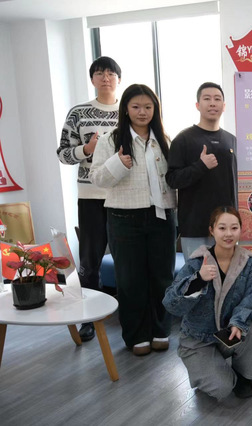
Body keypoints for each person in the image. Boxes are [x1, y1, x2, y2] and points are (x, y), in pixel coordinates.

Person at [89, 84, 177, 356]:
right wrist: (118, 163)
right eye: (136, 107)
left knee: (162, 277)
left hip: (161, 216)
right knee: (130, 280)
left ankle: (161, 331)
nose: (142, 112)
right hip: (123, 217)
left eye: (148, 107)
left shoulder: (163, 138)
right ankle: (136, 335)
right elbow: (96, 178)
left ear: (155, 109)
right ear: (125, 109)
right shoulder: (110, 140)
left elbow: (173, 178)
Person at [163, 206, 252, 400]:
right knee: (222, 388)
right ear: (212, 230)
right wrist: (198, 280)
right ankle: (211, 370)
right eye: (222, 228)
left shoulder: (248, 263)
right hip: (197, 340)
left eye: (234, 228)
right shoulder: (196, 263)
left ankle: (243, 376)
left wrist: (238, 323)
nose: (228, 234)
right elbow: (170, 304)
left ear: (240, 230)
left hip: (226, 335)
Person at [56, 56, 121, 342]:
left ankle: (129, 317)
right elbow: (63, 154)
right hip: (91, 196)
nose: (105, 78)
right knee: (89, 261)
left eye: (111, 73)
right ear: (92, 79)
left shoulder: (129, 110)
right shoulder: (78, 113)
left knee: (126, 258)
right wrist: (87, 149)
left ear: (118, 78)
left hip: (123, 197)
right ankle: (89, 320)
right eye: (100, 73)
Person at [166, 82, 238, 261]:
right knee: (198, 275)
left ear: (224, 106)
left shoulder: (232, 140)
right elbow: (172, 179)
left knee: (227, 274)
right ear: (198, 105)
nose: (212, 103)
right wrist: (200, 166)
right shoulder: (183, 139)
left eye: (217, 99)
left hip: (227, 227)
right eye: (207, 99)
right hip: (195, 227)